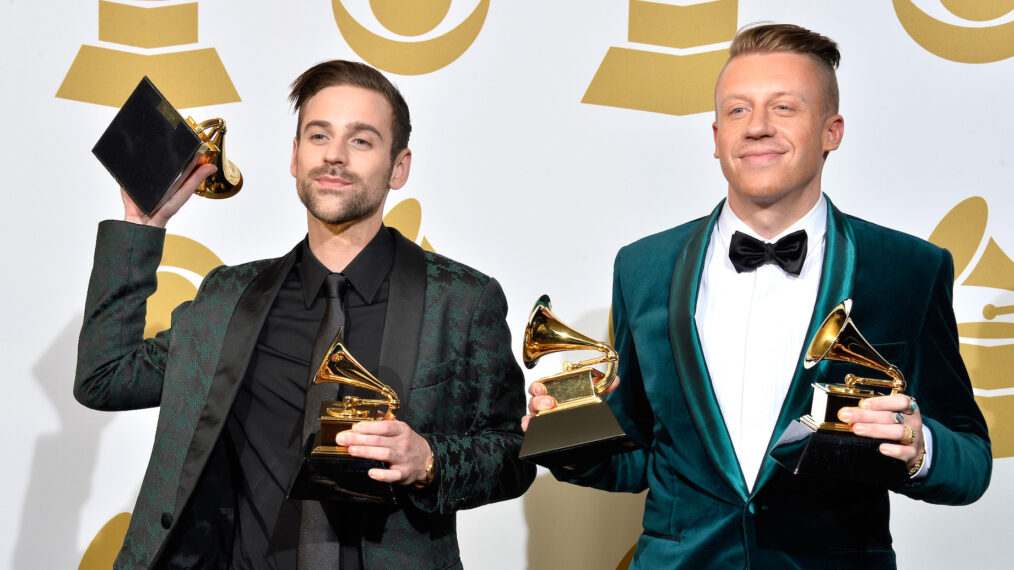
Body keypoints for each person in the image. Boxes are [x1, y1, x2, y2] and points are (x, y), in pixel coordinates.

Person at [526, 23, 991, 568]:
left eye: (785, 108)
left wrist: (918, 449)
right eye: (739, 110)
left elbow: (972, 461)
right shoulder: (642, 267)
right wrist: (567, 439)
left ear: (832, 131)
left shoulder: (908, 269)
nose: (758, 128)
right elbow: (642, 458)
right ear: (717, 135)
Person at [76, 60, 534, 569]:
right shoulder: (229, 296)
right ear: (294, 157)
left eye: (361, 141)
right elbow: (105, 378)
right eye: (319, 136)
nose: (334, 156)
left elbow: (513, 455)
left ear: (398, 166)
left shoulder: (463, 300)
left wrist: (428, 461)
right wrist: (142, 225)